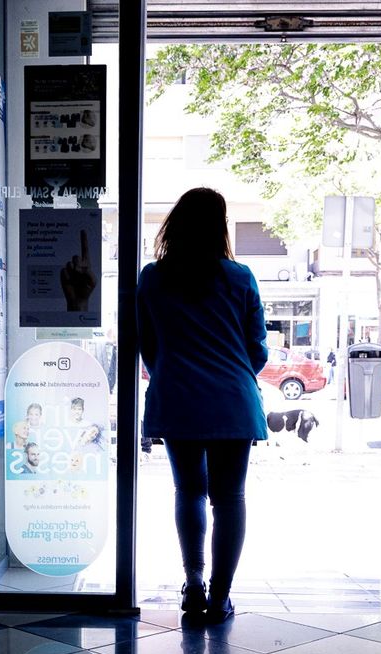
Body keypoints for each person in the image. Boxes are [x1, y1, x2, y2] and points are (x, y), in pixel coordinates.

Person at [137, 187, 269, 623]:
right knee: (229, 498)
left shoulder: (153, 278)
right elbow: (258, 350)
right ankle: (219, 596)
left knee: (188, 490)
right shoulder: (240, 277)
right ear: (220, 226)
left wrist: (173, 372)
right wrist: (231, 372)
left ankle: (193, 585)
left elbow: (147, 344)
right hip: (233, 400)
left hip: (178, 397)